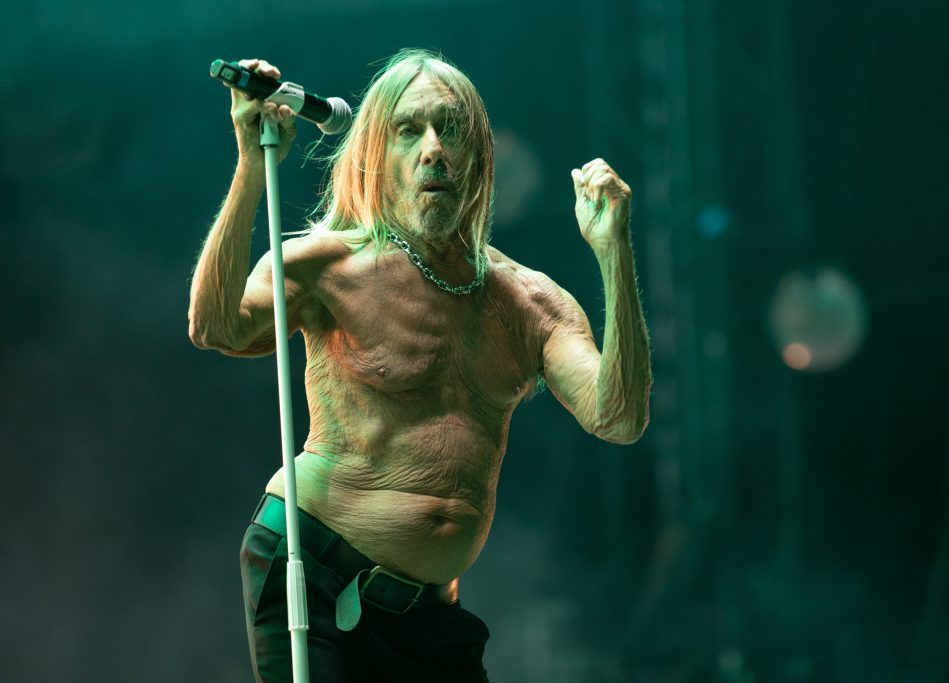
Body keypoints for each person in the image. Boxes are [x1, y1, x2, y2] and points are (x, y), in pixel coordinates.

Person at [188, 49, 652, 682]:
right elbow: (214, 326)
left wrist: (613, 252)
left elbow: (619, 416)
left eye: (450, 128)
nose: (433, 147)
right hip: (317, 567)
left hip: (430, 613)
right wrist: (250, 163)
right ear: (379, 154)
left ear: (479, 156)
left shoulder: (530, 301)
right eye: (410, 129)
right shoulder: (330, 265)